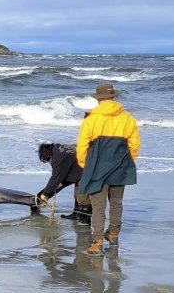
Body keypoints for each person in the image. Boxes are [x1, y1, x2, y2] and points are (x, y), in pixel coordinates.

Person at [76, 83, 140, 255]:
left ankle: (97, 242)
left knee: (98, 206)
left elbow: (81, 147)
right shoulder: (128, 119)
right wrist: (126, 162)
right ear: (113, 98)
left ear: (98, 100)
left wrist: (85, 165)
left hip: (97, 166)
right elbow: (134, 146)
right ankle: (113, 234)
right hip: (120, 165)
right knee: (116, 203)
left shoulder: (91, 119)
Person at [36, 142, 92, 224]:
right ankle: (76, 214)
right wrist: (61, 183)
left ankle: (86, 219)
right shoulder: (59, 149)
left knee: (82, 196)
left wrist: (45, 194)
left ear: (48, 154)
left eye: (48, 160)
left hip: (88, 169)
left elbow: (56, 177)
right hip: (82, 168)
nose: (49, 162)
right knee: (77, 195)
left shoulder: (58, 157)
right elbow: (66, 171)